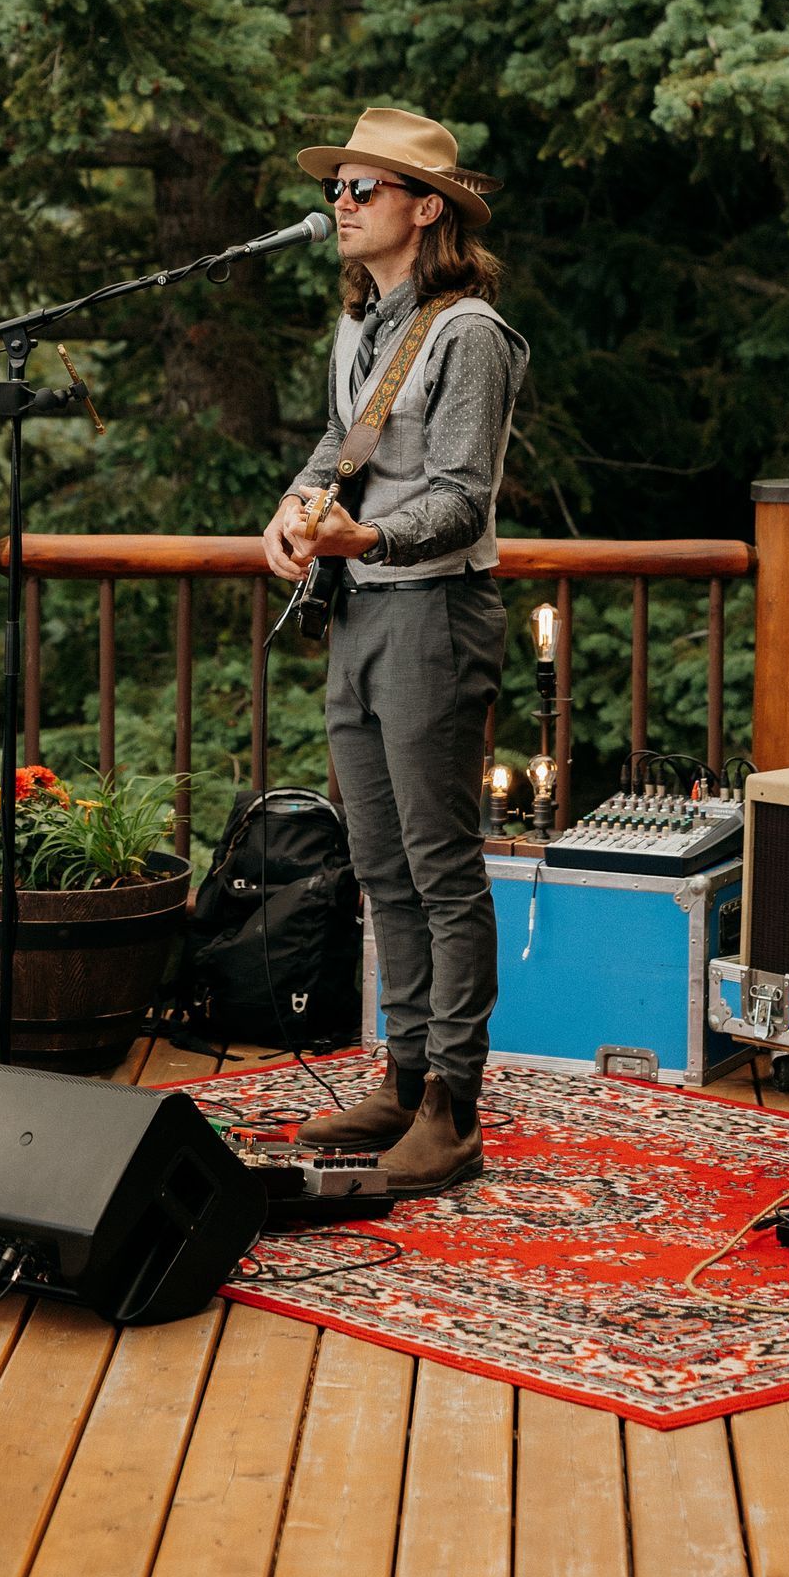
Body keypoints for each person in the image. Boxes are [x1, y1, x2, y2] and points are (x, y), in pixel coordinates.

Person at [260, 106, 528, 1196]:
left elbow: (463, 497)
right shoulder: (363, 323)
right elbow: (342, 443)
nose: (340, 205)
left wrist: (366, 534)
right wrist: (291, 511)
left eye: (361, 190)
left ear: (427, 209)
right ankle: (404, 1073)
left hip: (434, 613)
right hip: (363, 612)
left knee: (441, 866)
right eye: (338, 189)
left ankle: (453, 1106)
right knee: (380, 864)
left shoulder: (469, 335)